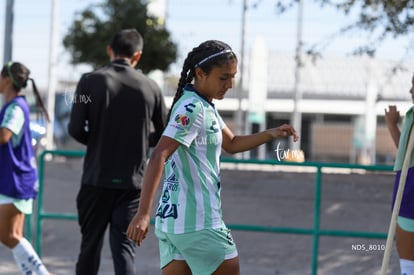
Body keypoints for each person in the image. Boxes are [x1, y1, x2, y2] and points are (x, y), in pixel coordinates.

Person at [126, 40, 299, 275]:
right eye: (223, 77)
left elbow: (232, 143)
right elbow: (159, 154)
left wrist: (271, 133)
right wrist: (143, 213)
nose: (230, 84)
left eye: (233, 77)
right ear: (200, 73)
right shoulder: (193, 108)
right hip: (200, 224)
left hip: (173, 225)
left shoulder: (201, 105)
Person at [68, 29, 167, 275]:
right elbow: (164, 134)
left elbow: (75, 128)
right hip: (132, 186)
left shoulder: (88, 82)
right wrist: (141, 142)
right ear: (138, 56)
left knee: (89, 248)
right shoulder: (152, 88)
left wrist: (100, 141)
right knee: (124, 251)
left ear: (110, 50)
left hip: (95, 180)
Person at [0, 61, 51, 274]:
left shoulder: (16, 107)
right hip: (15, 178)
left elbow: (4, 136)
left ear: (7, 80)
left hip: (16, 179)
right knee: (14, 236)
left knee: (8, 235)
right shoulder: (15, 105)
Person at [385, 73, 414, 275]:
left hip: (410, 190)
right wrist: (392, 125)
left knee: (408, 264)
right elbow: (406, 155)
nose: (411, 91)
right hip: (408, 185)